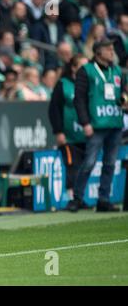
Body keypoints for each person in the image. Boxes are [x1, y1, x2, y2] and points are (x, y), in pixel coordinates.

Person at [70, 38, 127, 212]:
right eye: (108, 49)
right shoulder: (86, 71)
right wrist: (85, 122)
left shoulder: (117, 71)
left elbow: (121, 94)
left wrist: (124, 102)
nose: (112, 52)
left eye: (112, 49)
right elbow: (79, 99)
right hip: (96, 124)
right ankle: (77, 198)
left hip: (115, 123)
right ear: (98, 52)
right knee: (89, 162)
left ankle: (104, 199)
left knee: (110, 164)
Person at [48, 54, 88, 207]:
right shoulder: (63, 85)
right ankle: (72, 198)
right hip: (69, 135)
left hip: (86, 134)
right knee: (72, 166)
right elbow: (54, 109)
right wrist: (58, 131)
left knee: (85, 167)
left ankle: (79, 197)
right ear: (73, 68)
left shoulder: (89, 85)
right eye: (81, 67)